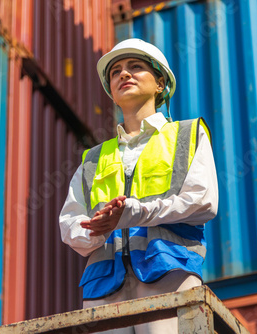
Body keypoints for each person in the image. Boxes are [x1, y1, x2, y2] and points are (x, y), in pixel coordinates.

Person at [59, 38, 218, 333]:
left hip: (168, 271)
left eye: (136, 67)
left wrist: (134, 213)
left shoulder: (187, 135)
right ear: (111, 91)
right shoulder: (93, 158)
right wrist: (96, 229)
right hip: (103, 286)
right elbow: (69, 223)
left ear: (160, 83)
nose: (124, 74)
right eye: (116, 71)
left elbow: (202, 201)